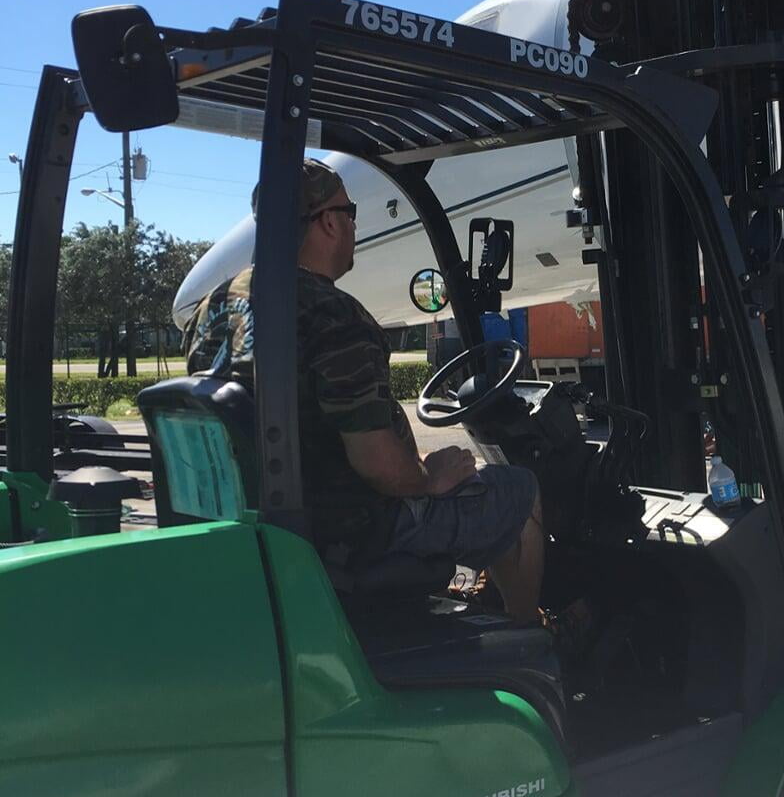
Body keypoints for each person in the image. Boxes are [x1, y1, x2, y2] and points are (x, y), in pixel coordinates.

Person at [182, 159, 544, 622]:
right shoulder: (333, 316)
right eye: (350, 212)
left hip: (251, 527)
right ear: (329, 221)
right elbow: (379, 466)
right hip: (350, 533)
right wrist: (429, 478)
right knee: (519, 490)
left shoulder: (211, 311)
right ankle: (529, 644)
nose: (354, 224)